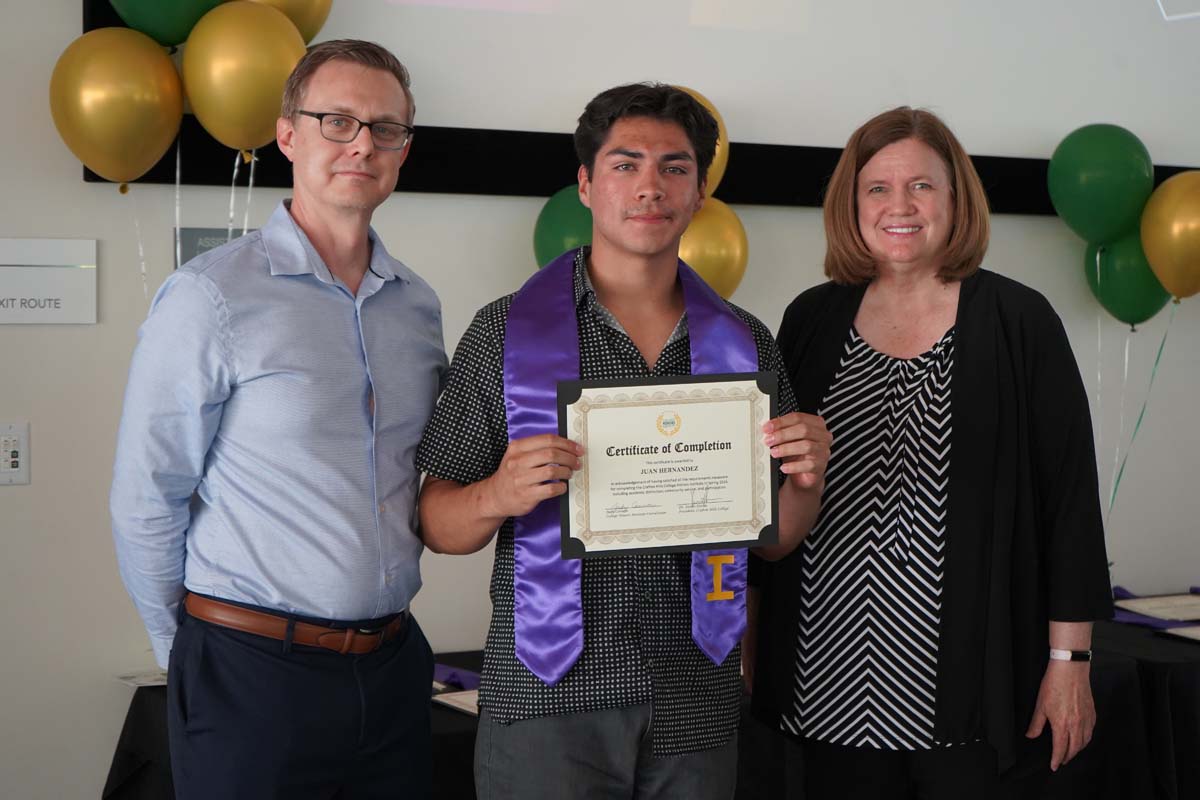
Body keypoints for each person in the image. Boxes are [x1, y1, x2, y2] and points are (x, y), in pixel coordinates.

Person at [415, 82, 830, 799]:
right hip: (550, 699)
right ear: (585, 184)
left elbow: (773, 542)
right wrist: (497, 493)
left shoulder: (744, 343)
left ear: (699, 191)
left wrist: (809, 477)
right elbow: (438, 521)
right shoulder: (506, 332)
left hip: (694, 697)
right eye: (625, 163)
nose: (650, 186)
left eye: (674, 167)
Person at [110, 40, 447, 799]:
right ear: (288, 134)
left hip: (393, 669)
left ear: (403, 150)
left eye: (385, 128)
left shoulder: (419, 307)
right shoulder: (211, 295)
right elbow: (146, 495)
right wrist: (188, 655)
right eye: (338, 121)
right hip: (248, 674)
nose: (362, 141)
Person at [748, 106, 1113, 799]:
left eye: (922, 186)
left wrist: (1071, 660)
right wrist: (749, 638)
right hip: (826, 672)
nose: (900, 206)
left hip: (967, 686)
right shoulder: (810, 319)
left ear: (956, 199)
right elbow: (767, 495)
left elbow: (1069, 504)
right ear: (851, 205)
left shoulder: (1019, 321)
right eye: (877, 189)